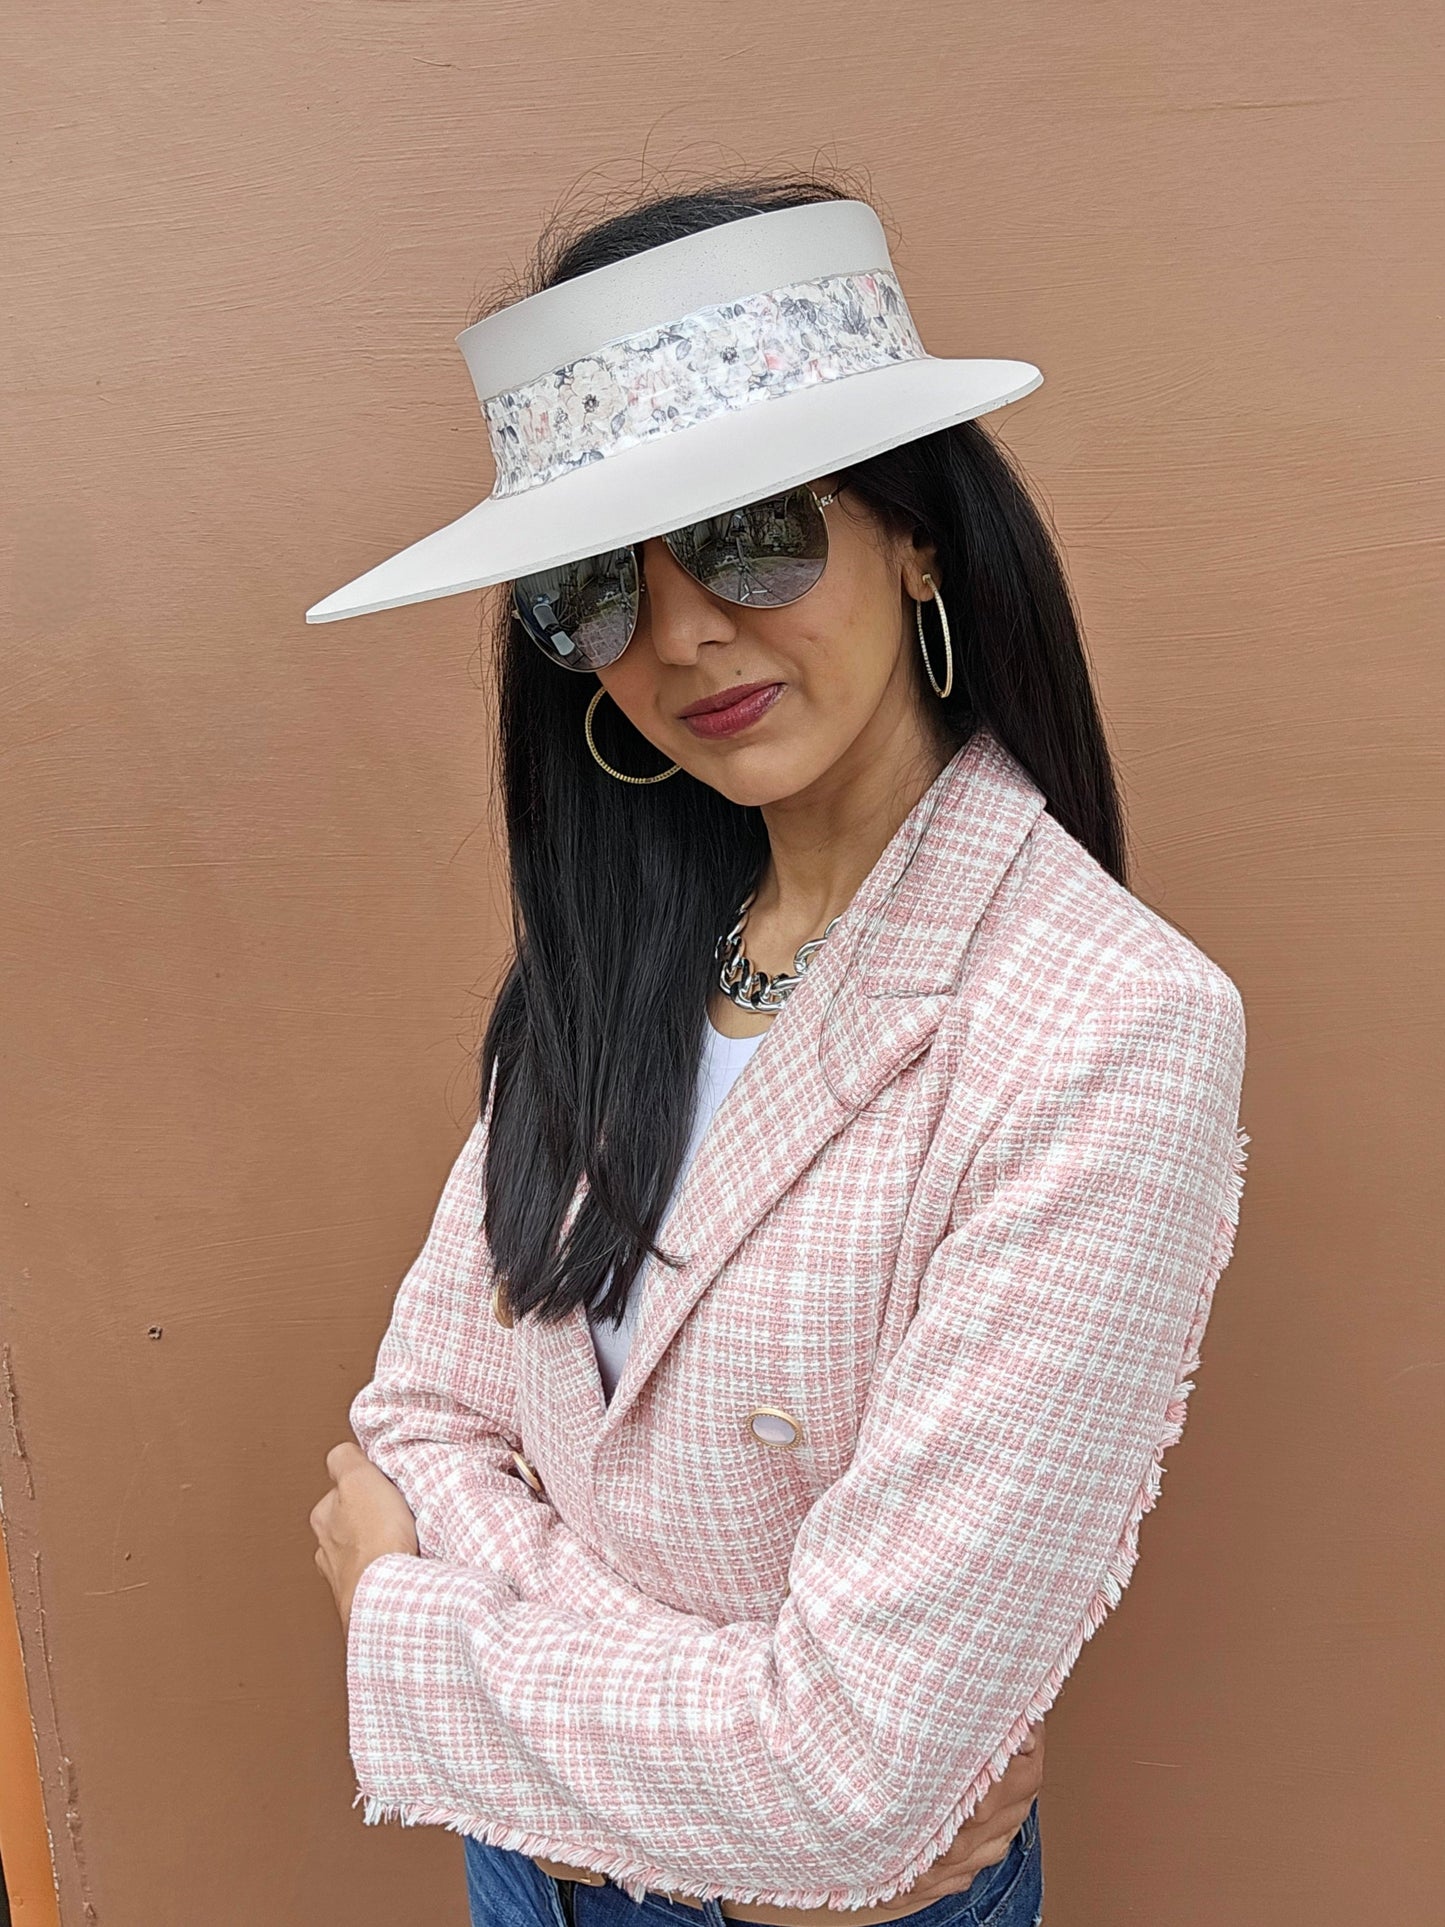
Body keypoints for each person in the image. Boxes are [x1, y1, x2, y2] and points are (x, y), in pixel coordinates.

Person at [307, 177, 1249, 1927]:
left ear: (917, 534)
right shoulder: (614, 972)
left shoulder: (1104, 1031)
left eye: (748, 535)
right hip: (526, 1876)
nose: (678, 634)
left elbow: (844, 1784)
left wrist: (415, 1629)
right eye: (595, 586)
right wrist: (696, 1768)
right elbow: (417, 1422)